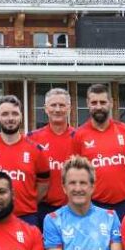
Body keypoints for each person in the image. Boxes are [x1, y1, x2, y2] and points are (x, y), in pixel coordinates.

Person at [71, 84, 125, 220]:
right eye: (94, 102)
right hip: (95, 205)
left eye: (103, 102)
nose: (98, 107)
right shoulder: (79, 135)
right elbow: (77, 172)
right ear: (88, 104)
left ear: (111, 103)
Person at [0, 95, 50, 228]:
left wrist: (27, 201)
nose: (10, 118)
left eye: (15, 114)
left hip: (26, 216)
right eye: (5, 114)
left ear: (21, 117)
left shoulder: (36, 150)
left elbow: (44, 184)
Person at [29, 87, 77, 222]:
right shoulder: (32, 138)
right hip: (42, 208)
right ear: (45, 108)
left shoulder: (80, 138)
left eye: (62, 105)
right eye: (53, 105)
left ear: (69, 108)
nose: (57, 109)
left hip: (72, 208)